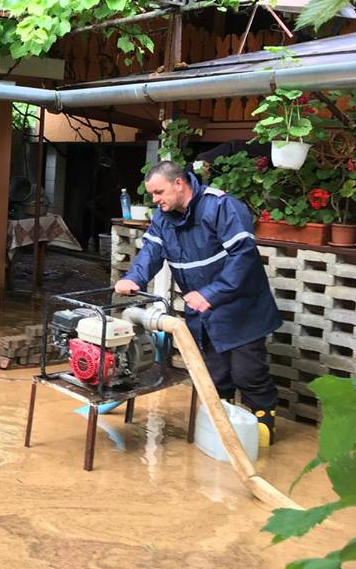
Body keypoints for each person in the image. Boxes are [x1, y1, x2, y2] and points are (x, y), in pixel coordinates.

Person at [114, 161, 281, 447]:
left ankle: (263, 430)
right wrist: (134, 278)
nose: (155, 200)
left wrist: (212, 293)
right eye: (152, 195)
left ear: (179, 184)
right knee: (214, 374)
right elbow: (152, 251)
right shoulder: (163, 216)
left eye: (159, 192)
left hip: (241, 308)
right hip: (203, 311)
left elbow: (244, 257)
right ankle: (223, 430)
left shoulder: (221, 207)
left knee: (248, 373)